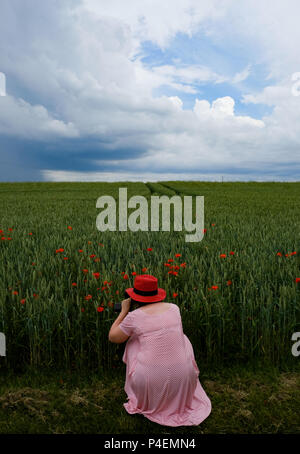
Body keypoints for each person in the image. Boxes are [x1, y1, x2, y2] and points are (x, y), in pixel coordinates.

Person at [108, 274, 211, 427]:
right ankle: (176, 386)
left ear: (135, 296)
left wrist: (124, 311)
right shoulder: (174, 309)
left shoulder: (134, 317)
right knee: (183, 338)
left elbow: (113, 337)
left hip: (150, 383)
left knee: (133, 343)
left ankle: (147, 390)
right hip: (183, 378)